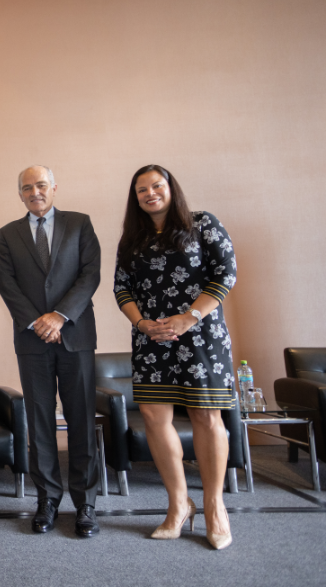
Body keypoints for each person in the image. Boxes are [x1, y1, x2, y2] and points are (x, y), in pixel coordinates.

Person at [113, 164, 237, 550]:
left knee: (206, 415)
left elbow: (226, 273)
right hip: (152, 339)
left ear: (171, 188)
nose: (150, 193)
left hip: (200, 336)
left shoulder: (203, 223)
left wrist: (188, 317)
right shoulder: (132, 238)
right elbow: (122, 288)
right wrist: (142, 324)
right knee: (153, 417)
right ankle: (179, 504)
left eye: (156, 186)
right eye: (141, 190)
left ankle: (215, 507)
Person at [0, 165, 102, 537]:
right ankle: (48, 501)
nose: (35, 192)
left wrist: (58, 317)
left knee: (81, 421)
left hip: (75, 336)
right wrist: (39, 322)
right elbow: (7, 285)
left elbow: (90, 275)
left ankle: (86, 503)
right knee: (40, 422)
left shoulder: (80, 224)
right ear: (20, 194)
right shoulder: (8, 234)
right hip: (31, 341)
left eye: (41, 185)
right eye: (27, 188)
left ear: (54, 187)